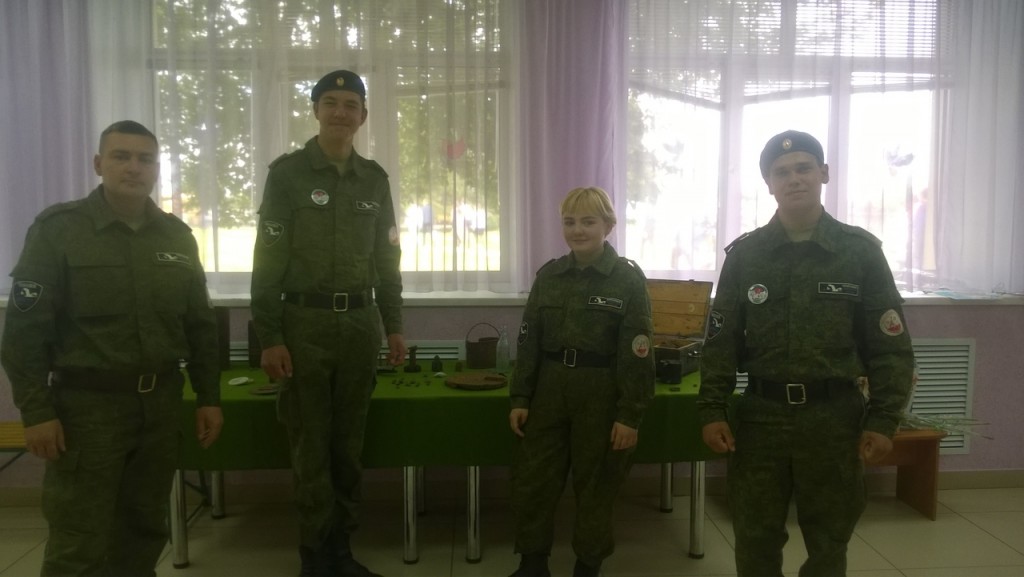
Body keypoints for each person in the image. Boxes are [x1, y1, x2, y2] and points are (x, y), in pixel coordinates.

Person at [0, 120, 224, 576]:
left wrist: (209, 397)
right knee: (78, 540)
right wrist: (36, 412)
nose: (133, 168)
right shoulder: (58, 230)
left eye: (145, 159)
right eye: (121, 157)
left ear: (156, 169)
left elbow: (199, 327)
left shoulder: (176, 237)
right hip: (87, 411)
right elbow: (24, 333)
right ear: (99, 164)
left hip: (159, 408)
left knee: (144, 531)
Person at [697, 130, 915, 576]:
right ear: (769, 184)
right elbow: (721, 342)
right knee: (754, 536)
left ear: (823, 174)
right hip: (761, 419)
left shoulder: (860, 253)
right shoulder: (746, 255)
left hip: (833, 419)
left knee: (830, 539)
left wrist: (884, 419)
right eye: (782, 172)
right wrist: (712, 409)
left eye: (803, 168)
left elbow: (890, 348)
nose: (793, 178)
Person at [250, 69, 407, 577]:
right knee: (310, 446)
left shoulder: (375, 180)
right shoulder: (287, 175)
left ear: (363, 115)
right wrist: (270, 336)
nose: (341, 112)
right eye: (331, 102)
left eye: (351, 104)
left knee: (349, 446)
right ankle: (315, 558)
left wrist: (394, 325)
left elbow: (387, 261)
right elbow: (267, 262)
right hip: (303, 327)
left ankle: (341, 551)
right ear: (316, 110)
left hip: (360, 325)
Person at [508, 186, 656, 577]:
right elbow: (528, 340)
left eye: (588, 221)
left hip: (600, 393)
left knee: (596, 486)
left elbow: (638, 352)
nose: (578, 230)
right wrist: (520, 396)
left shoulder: (627, 280)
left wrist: (630, 415)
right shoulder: (550, 276)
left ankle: (587, 566)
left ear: (608, 225)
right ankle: (532, 564)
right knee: (534, 480)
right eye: (569, 222)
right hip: (549, 392)